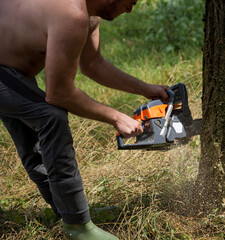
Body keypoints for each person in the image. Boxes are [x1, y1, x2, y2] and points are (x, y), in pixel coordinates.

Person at [0, 0, 169, 239]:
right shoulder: (72, 13)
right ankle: (77, 225)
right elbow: (58, 93)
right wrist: (116, 117)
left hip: (11, 71)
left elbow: (93, 64)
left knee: (36, 129)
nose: (130, 9)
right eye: (129, 2)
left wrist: (145, 89)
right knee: (51, 116)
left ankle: (70, 210)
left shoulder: (89, 16)